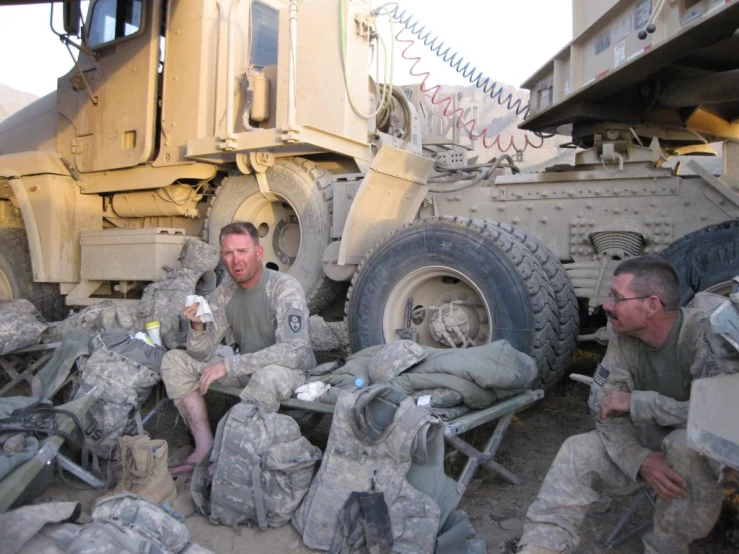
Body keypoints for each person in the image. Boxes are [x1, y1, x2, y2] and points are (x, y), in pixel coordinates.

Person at [517, 255, 730, 554]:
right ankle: (541, 546)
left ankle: (666, 547)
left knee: (683, 445)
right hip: (650, 439)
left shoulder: (704, 335)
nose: (607, 305)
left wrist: (640, 403)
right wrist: (640, 459)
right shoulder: (623, 338)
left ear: (652, 305)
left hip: (703, 447)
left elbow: (715, 419)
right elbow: (606, 410)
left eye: (617, 297)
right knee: (578, 450)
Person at [162, 221, 315, 476]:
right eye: (228, 253)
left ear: (258, 252)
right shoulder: (226, 291)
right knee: (174, 361)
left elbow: (294, 351)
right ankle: (204, 445)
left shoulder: (283, 287)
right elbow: (201, 352)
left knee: (267, 376)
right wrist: (198, 327)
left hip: (292, 374)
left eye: (242, 251)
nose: (236, 260)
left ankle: (234, 458)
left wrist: (230, 365)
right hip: (248, 369)